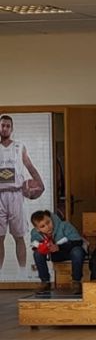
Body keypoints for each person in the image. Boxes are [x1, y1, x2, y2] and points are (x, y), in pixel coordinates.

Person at [0, 114, 44, 272]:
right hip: (0, 195)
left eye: (8, 126)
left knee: (19, 237)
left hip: (16, 195)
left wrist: (40, 184)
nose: (5, 128)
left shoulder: (19, 147)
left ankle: (23, 272)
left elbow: (30, 166)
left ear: (12, 129)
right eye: (2, 125)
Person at [29, 210, 84, 295]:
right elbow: (34, 245)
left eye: (48, 222)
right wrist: (42, 247)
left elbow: (78, 241)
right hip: (54, 255)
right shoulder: (35, 233)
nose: (48, 227)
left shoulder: (65, 225)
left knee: (78, 251)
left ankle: (76, 282)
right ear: (38, 229)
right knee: (37, 253)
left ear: (51, 218)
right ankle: (45, 282)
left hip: (69, 252)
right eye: (42, 226)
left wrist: (59, 247)